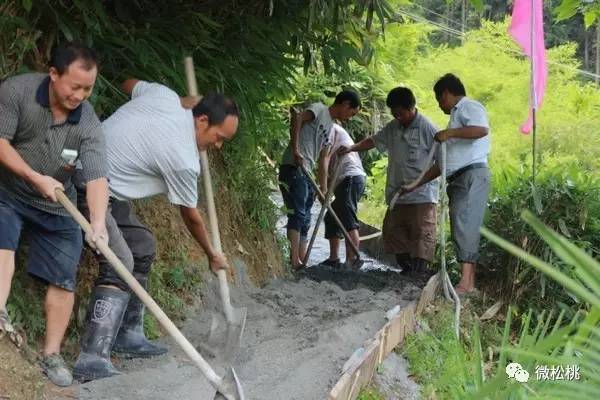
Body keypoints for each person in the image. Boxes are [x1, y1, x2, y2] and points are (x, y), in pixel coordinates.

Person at [72, 79, 239, 381]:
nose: (217, 146)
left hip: (109, 187)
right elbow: (191, 217)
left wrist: (184, 100)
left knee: (142, 244)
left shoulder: (165, 95)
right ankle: (92, 356)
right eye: (218, 137)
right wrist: (212, 255)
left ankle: (128, 334)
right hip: (85, 179)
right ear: (202, 120)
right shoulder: (183, 160)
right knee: (119, 260)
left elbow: (128, 83)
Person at [0, 43, 109, 387]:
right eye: (74, 86)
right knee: (2, 241)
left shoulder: (88, 121)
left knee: (64, 274)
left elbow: (95, 176)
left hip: (58, 204)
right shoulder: (16, 92)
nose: (80, 95)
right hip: (9, 192)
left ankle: (51, 354)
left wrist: (98, 224)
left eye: (88, 88)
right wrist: (34, 177)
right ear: (53, 75)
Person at [403, 73, 491, 295]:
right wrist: (416, 183)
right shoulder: (456, 117)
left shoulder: (468, 106)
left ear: (447, 93)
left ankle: (467, 284)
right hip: (460, 177)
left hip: (471, 175)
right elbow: (443, 165)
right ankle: (466, 280)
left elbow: (481, 130)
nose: (440, 105)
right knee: (460, 226)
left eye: (439, 100)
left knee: (465, 226)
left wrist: (449, 133)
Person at [340, 87, 439, 276]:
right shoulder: (393, 127)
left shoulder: (428, 129)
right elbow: (374, 141)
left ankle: (418, 274)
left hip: (422, 195)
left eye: (401, 114)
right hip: (397, 194)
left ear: (411, 107)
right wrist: (352, 148)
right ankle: (406, 270)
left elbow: (442, 162)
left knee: (422, 235)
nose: (398, 118)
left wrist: (418, 183)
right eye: (394, 114)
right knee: (394, 234)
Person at [279, 91, 361, 270]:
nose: (350, 118)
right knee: (298, 213)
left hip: (307, 172)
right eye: (352, 113)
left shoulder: (331, 129)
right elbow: (297, 119)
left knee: (306, 218)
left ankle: (301, 261)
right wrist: (296, 150)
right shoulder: (319, 109)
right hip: (294, 167)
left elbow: (323, 159)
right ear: (345, 104)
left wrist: (323, 190)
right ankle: (294, 261)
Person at [319, 124, 366, 269]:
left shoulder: (327, 127)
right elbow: (326, 169)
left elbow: (324, 158)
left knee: (347, 216)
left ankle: (352, 260)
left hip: (351, 177)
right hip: (342, 179)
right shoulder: (324, 131)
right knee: (331, 217)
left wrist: (324, 189)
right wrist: (324, 189)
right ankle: (334, 258)